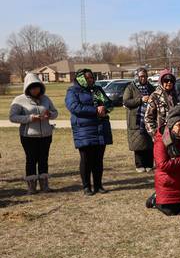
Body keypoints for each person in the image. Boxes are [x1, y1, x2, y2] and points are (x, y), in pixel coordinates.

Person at [65, 68, 113, 196]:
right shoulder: (73, 91)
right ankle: (87, 186)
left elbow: (109, 103)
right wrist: (95, 110)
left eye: (92, 77)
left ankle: (98, 185)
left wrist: (105, 108)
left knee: (98, 159)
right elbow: (74, 107)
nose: (90, 80)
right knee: (86, 159)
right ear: (80, 79)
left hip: (101, 128)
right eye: (87, 78)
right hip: (84, 129)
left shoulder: (97, 90)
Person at [9, 72, 59, 194]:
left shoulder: (46, 99)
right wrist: (30, 118)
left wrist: (50, 115)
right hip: (29, 136)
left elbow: (55, 112)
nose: (35, 90)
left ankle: (44, 186)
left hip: (46, 135)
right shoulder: (19, 100)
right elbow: (12, 117)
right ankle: (31, 187)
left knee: (43, 159)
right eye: (32, 88)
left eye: (37, 87)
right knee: (31, 160)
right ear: (27, 88)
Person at [147, 105, 180, 215]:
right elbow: (163, 165)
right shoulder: (161, 141)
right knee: (170, 212)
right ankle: (155, 199)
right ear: (171, 125)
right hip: (168, 181)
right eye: (179, 125)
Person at [123, 68, 156, 172]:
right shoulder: (131, 87)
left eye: (145, 76)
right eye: (141, 76)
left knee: (149, 143)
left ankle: (149, 164)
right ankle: (139, 165)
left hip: (149, 119)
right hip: (136, 119)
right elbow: (126, 102)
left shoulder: (151, 87)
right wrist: (140, 100)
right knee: (138, 143)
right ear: (137, 76)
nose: (143, 78)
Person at [145, 69, 180, 138]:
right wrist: (155, 134)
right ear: (161, 81)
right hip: (161, 136)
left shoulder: (178, 96)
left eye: (171, 80)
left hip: (177, 135)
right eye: (166, 80)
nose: (169, 82)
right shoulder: (154, 96)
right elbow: (148, 118)